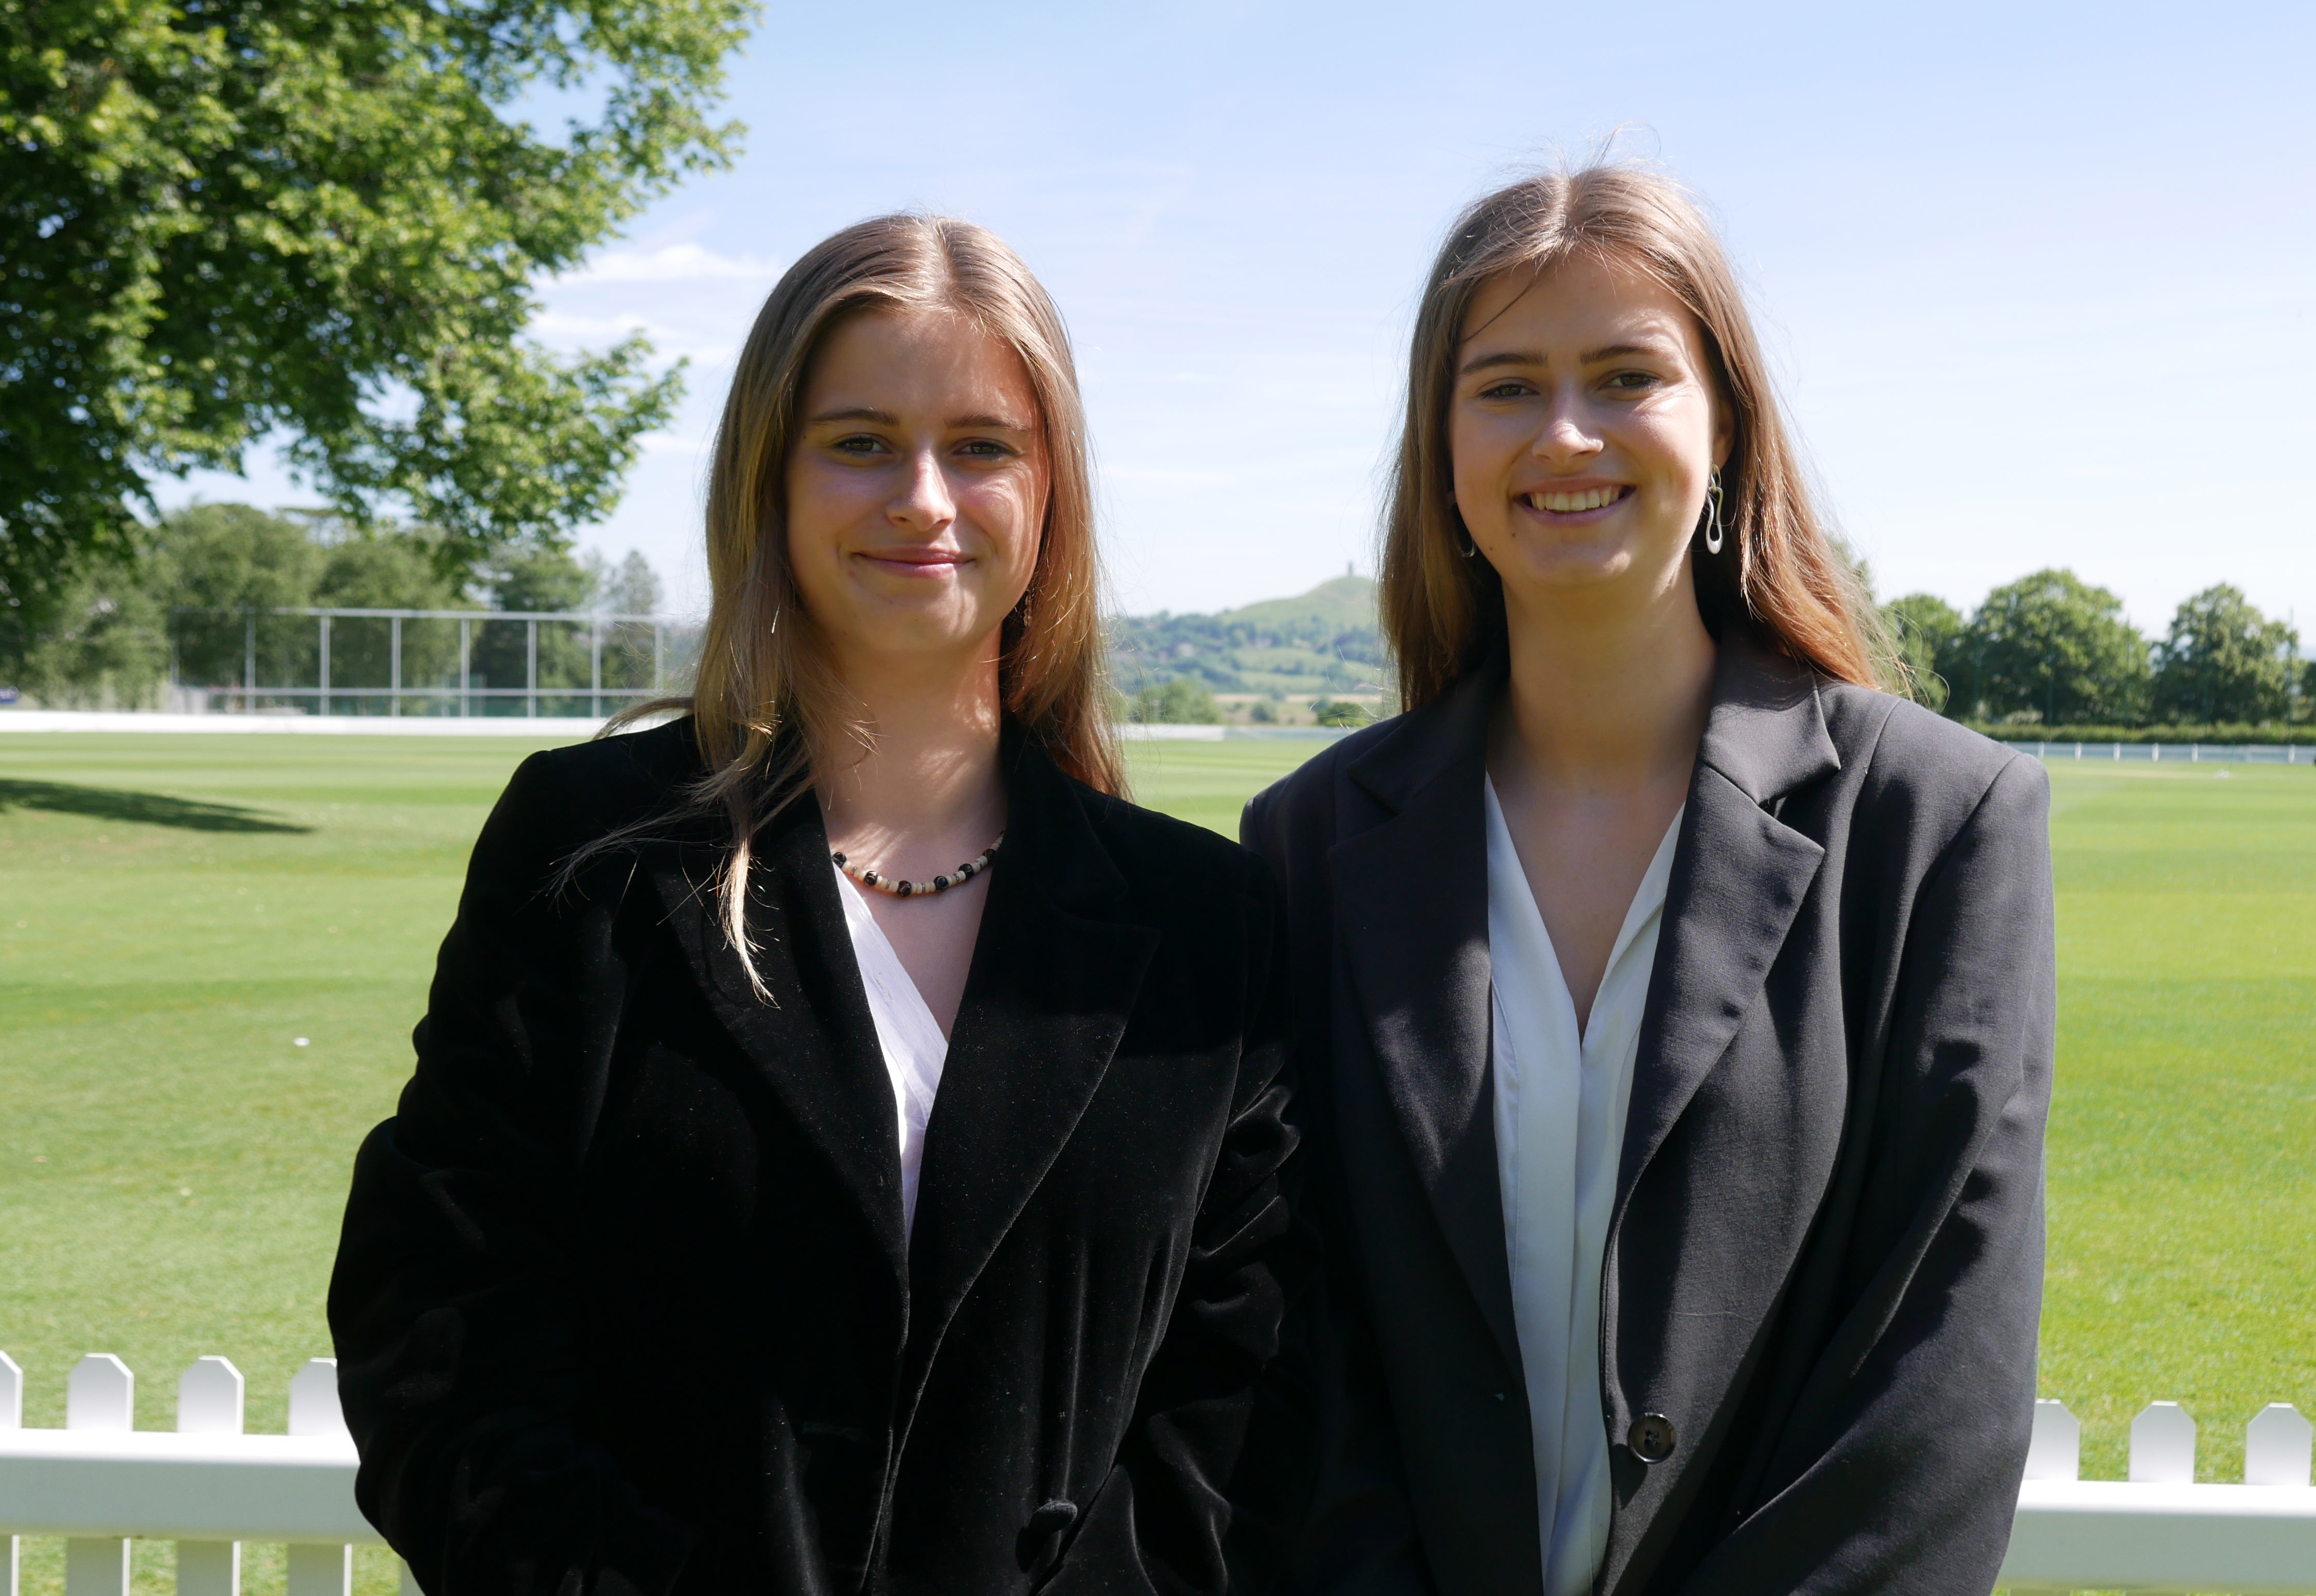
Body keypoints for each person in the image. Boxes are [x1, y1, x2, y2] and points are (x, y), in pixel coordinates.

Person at [329, 215, 1303, 1596]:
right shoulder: (594, 857)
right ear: (771, 479)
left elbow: (1252, 1402)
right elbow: (437, 1322)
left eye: (982, 446)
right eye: (859, 442)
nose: (923, 498)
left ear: (1053, 494)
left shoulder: (1209, 923)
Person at [1245, 167, 2054, 1596]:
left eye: (1628, 375)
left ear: (1725, 425)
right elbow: (1298, 1364)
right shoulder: (1306, 848)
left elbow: (1937, 1382)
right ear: (1442, 445)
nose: (1566, 433)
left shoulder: (1943, 822)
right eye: (1505, 386)